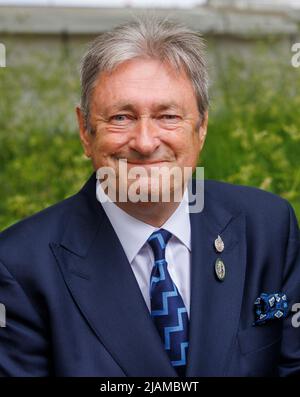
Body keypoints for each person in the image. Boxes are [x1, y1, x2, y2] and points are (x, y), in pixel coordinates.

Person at [0, 17, 299, 377]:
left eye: (168, 116)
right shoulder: (19, 265)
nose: (144, 142)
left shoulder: (268, 227)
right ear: (84, 131)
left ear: (201, 128)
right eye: (121, 117)